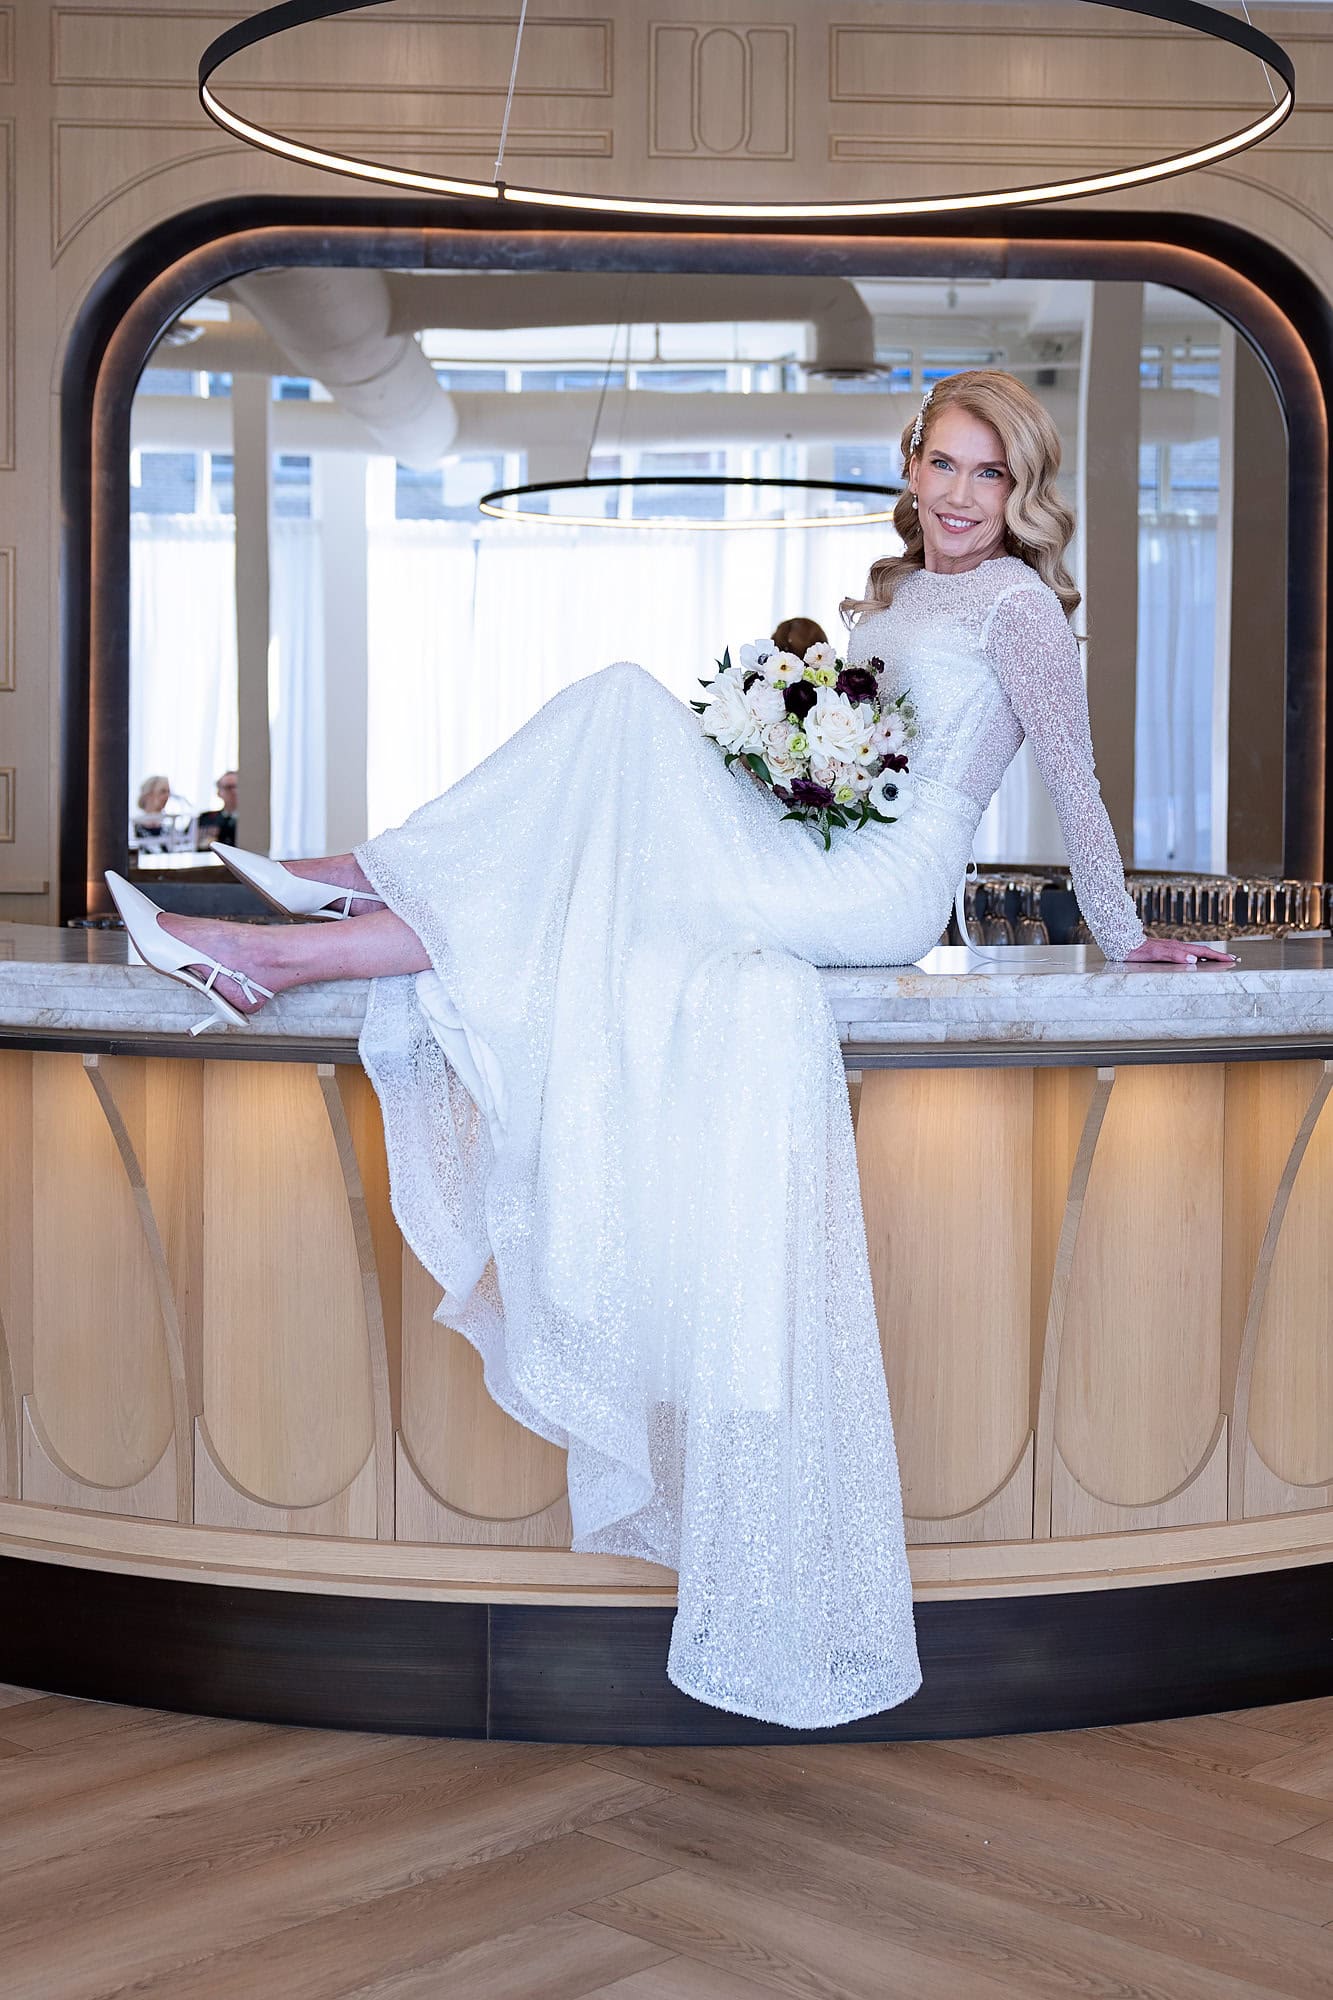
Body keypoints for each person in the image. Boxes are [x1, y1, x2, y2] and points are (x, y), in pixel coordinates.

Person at [105, 370, 1235, 1730]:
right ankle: (286, 941)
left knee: (621, 722)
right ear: (911, 464)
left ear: (1021, 491)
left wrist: (1127, 936)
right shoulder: (889, 598)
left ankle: (339, 886)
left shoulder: (1018, 609)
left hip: (880, 890)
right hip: (811, 854)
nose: (956, 494)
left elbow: (1075, 777)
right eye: (941, 462)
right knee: (606, 787)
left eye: (986, 474)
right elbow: (827, 764)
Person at [195, 769, 238, 850]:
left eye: (237, 787)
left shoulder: (250, 822)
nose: (234, 791)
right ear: (219, 792)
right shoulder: (205, 819)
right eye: (229, 787)